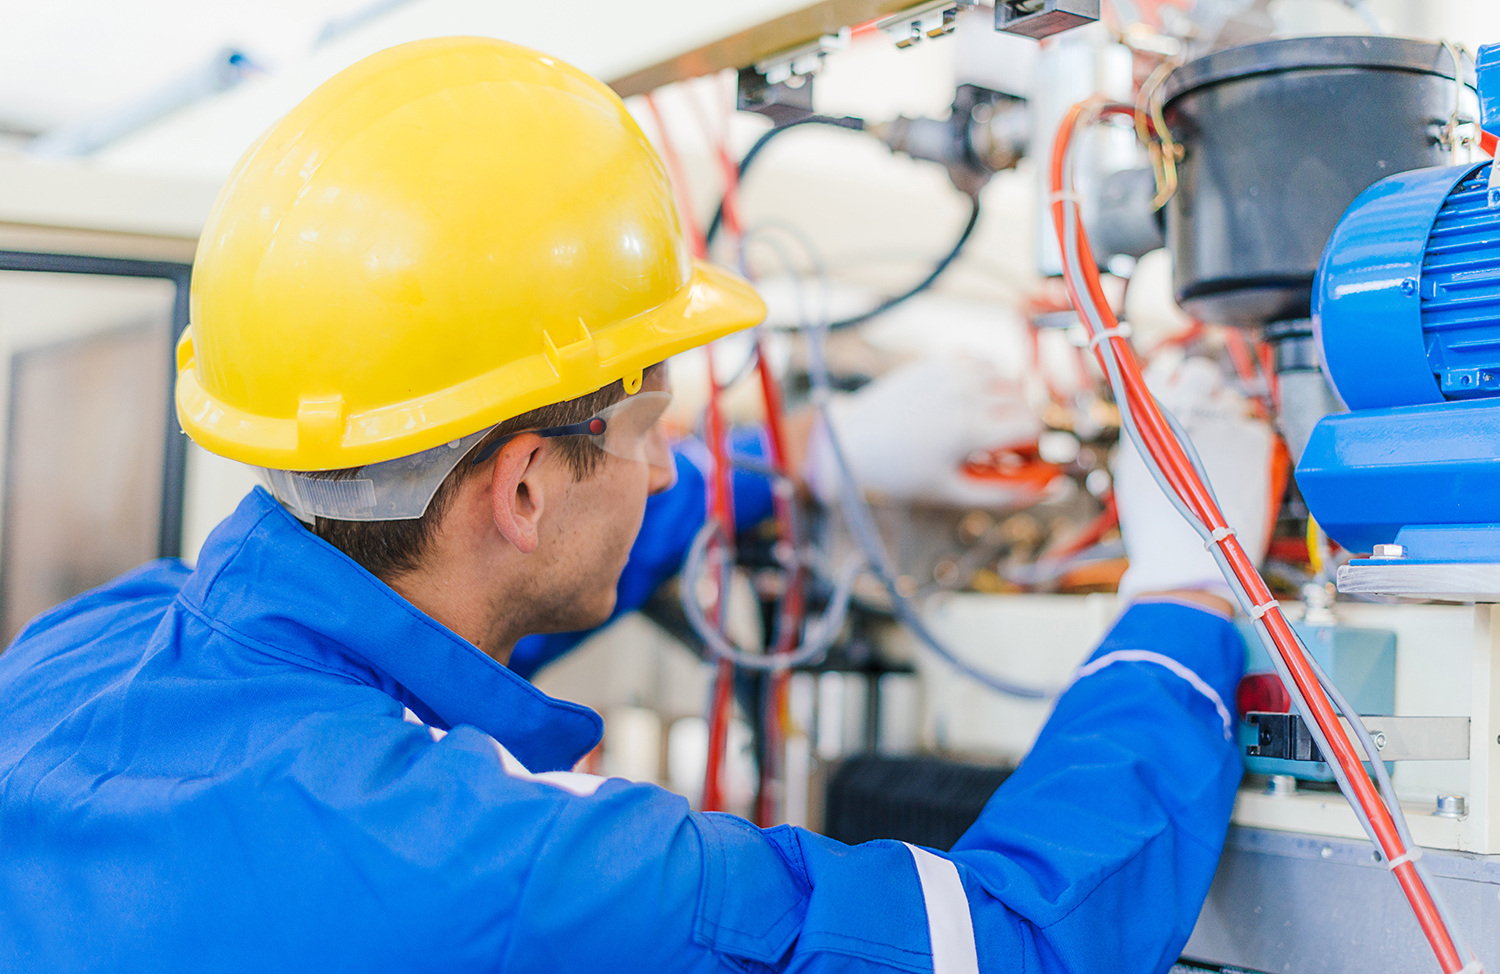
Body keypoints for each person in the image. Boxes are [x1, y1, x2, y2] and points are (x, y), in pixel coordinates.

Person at [0, 38, 1270, 974]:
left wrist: (813, 458)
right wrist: (1182, 591)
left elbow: (436, 606)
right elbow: (1018, 942)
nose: (669, 469)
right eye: (657, 432)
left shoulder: (89, 647)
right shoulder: (524, 873)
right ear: (524, 485)